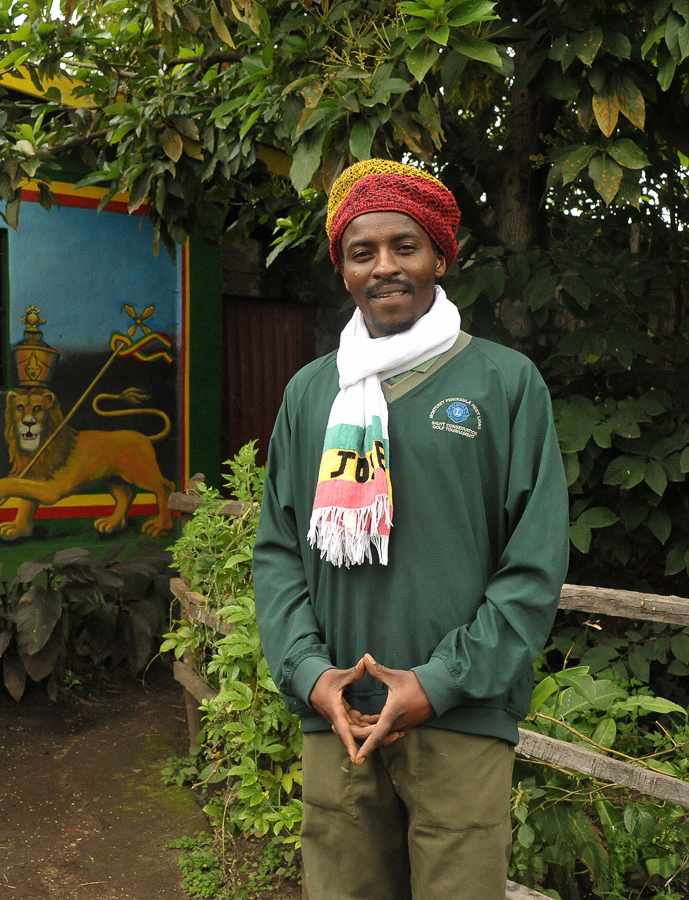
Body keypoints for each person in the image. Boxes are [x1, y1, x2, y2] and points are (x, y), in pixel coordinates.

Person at [253, 159, 570, 900]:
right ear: (341, 268)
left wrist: (439, 682)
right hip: (338, 723)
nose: (385, 267)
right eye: (362, 252)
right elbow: (277, 553)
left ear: (439, 257)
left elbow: (532, 562)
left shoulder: (502, 382)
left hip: (461, 716)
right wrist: (311, 676)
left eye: (405, 246)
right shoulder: (310, 394)